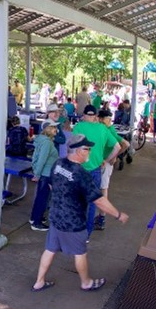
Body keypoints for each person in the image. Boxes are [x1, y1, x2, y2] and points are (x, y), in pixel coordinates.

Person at [31, 134, 129, 292]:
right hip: (73, 222)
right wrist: (118, 214)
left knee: (50, 250)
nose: (89, 152)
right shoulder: (82, 175)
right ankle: (86, 283)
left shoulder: (58, 163)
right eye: (87, 149)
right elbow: (99, 201)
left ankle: (39, 281)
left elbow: (51, 185)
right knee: (80, 253)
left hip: (56, 217)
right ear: (79, 151)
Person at [72, 105, 120, 238]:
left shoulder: (79, 127)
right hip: (96, 170)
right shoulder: (103, 128)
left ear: (85, 115)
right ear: (95, 116)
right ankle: (87, 233)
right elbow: (117, 147)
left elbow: (71, 146)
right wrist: (106, 159)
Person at [29, 120, 60, 231]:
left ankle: (34, 218)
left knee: (40, 197)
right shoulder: (47, 142)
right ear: (48, 129)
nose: (56, 130)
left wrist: (37, 172)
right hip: (46, 174)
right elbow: (42, 158)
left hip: (44, 173)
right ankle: (36, 223)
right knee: (43, 198)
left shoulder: (42, 140)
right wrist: (37, 174)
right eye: (53, 128)